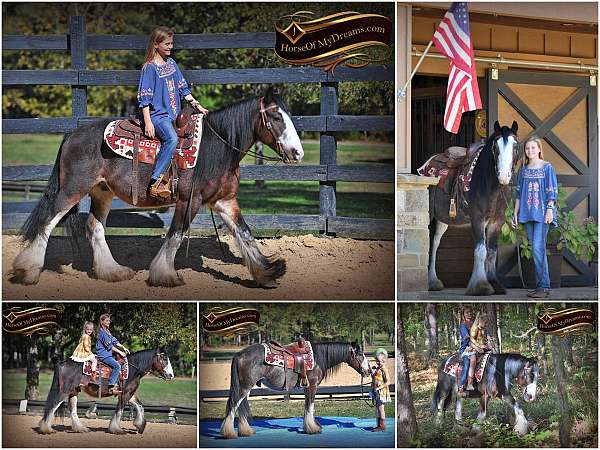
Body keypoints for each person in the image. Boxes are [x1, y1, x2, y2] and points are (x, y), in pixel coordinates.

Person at [137, 26, 209, 199]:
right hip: (158, 117)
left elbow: (183, 89)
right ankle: (156, 180)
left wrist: (197, 106)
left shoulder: (172, 64)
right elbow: (144, 99)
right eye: (167, 44)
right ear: (156, 44)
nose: (171, 47)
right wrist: (148, 122)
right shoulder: (150, 68)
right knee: (172, 138)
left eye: (172, 43)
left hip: (174, 114)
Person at [512, 136, 558, 298]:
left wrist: (550, 210)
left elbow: (552, 190)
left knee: (538, 248)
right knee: (535, 249)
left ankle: (544, 287)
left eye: (533, 147)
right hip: (527, 213)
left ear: (539, 149)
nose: (530, 151)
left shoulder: (547, 168)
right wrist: (515, 213)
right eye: (527, 148)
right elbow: (518, 194)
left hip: (543, 213)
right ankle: (541, 286)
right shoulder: (523, 170)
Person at [96, 313, 129, 395]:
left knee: (121, 365)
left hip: (108, 355)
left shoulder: (107, 332)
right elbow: (110, 346)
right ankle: (111, 387)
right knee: (117, 366)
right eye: (106, 320)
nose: (109, 322)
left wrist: (123, 347)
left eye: (109, 320)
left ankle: (118, 384)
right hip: (104, 356)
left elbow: (115, 341)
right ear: (101, 322)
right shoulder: (102, 333)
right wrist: (120, 352)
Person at [462, 313, 490, 391]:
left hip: (483, 349)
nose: (486, 324)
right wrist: (479, 346)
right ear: (480, 321)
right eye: (485, 322)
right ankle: (469, 383)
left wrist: (488, 344)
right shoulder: (475, 328)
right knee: (473, 361)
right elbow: (472, 339)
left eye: (487, 323)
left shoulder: (484, 330)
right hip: (473, 349)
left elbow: (485, 339)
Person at [371, 347, 391, 432]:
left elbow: (388, 382)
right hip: (376, 391)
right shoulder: (378, 369)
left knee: (381, 408)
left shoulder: (384, 369)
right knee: (378, 408)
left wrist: (379, 387)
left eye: (379, 361)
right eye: (377, 361)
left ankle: (382, 426)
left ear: (384, 361)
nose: (378, 362)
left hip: (381, 392)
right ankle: (379, 425)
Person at [457, 307, 474, 394]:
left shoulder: (475, 323)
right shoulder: (463, 325)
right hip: (466, 348)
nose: (469, 314)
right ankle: (462, 385)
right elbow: (467, 337)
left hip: (477, 347)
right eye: (467, 312)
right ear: (463, 314)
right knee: (467, 364)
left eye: (470, 312)